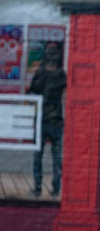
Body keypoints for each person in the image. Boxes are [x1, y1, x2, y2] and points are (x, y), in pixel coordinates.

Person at [28, 44, 66, 197]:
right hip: (56, 120)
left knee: (38, 156)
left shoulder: (40, 73)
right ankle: (56, 189)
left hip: (42, 120)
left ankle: (37, 188)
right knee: (56, 157)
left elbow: (32, 90)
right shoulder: (61, 74)